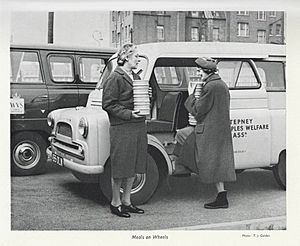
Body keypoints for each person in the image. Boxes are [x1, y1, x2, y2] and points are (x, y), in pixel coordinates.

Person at [171, 57, 236, 209]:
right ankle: (222, 197)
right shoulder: (221, 85)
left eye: (200, 71)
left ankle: (180, 170)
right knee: (217, 165)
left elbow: (198, 112)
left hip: (209, 132)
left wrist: (191, 96)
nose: (199, 73)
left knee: (186, 143)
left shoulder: (210, 87)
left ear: (207, 71)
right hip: (219, 132)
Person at [102, 43, 147, 218]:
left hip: (136, 126)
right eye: (136, 56)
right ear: (127, 57)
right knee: (121, 167)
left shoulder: (135, 76)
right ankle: (115, 202)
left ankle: (127, 201)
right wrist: (129, 114)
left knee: (133, 166)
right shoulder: (115, 77)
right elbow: (108, 104)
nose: (138, 59)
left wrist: (146, 96)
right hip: (122, 127)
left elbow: (135, 97)